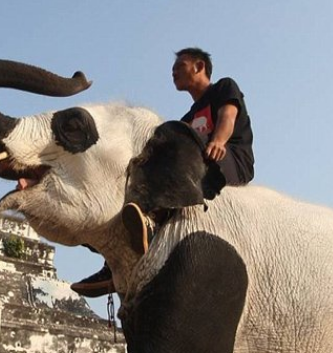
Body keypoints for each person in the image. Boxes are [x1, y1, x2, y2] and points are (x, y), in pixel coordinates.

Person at [71, 47, 254, 297]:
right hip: (195, 166)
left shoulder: (223, 87)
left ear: (199, 67)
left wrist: (219, 141)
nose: (173, 72)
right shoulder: (185, 119)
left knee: (176, 155)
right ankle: (112, 264)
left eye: (179, 66)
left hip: (229, 159)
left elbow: (228, 116)